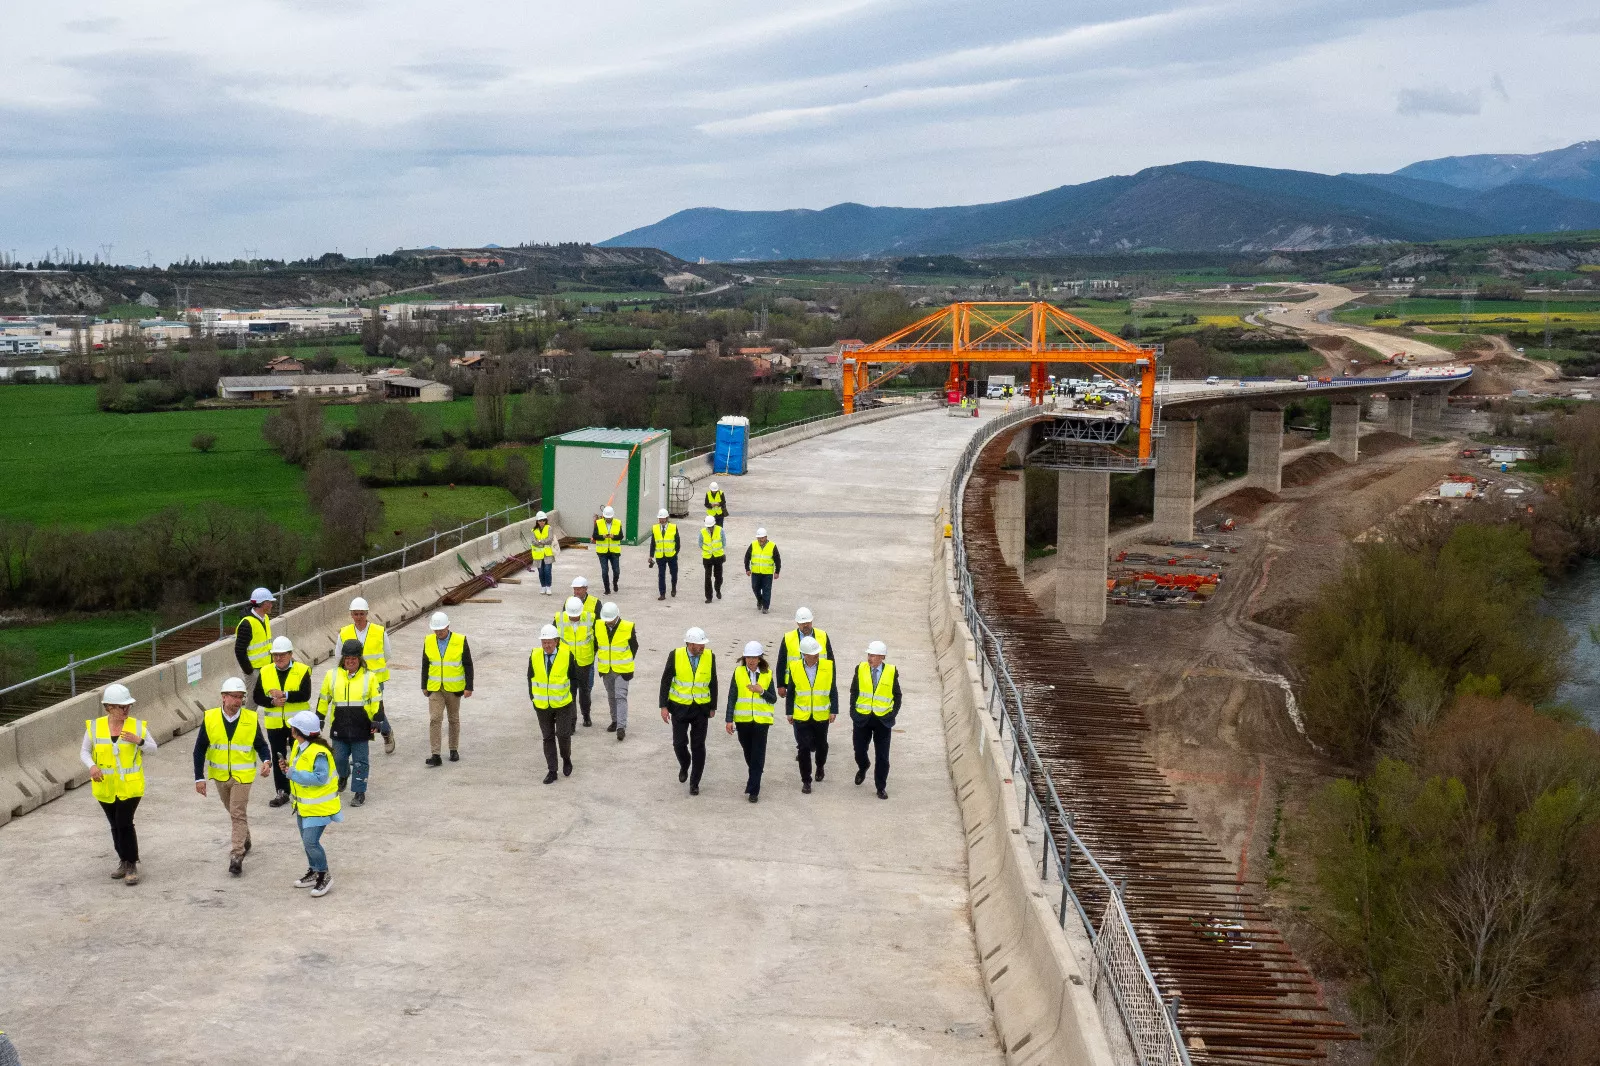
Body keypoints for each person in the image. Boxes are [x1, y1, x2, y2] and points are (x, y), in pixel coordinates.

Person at [193, 676, 272, 876]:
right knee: (233, 811)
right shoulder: (210, 718)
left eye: (240, 697)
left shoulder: (250, 718)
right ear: (223, 697)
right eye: (234, 697)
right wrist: (199, 778)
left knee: (237, 812)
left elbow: (261, 745)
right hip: (220, 776)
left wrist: (266, 761)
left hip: (243, 776)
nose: (238, 701)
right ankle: (245, 837)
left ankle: (237, 854)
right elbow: (199, 749)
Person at [81, 683, 156, 886]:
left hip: (131, 787)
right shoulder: (95, 727)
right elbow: (85, 752)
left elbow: (153, 749)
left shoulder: (137, 726)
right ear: (109, 707)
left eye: (128, 706)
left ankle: (131, 863)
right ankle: (123, 860)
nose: (126, 710)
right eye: (122, 707)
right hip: (105, 786)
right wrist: (92, 766)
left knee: (124, 822)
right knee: (115, 824)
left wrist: (139, 741)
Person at [281, 709, 340, 898]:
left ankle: (324, 874)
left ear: (298, 731)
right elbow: (298, 770)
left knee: (310, 842)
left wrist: (292, 773)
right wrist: (287, 769)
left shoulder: (319, 752)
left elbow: (320, 778)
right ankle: (314, 871)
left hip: (319, 807)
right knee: (307, 842)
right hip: (303, 806)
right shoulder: (299, 746)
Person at [318, 639, 381, 806]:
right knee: (338, 759)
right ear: (343, 659)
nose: (350, 661)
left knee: (360, 762)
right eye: (347, 658)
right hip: (339, 727)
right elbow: (323, 699)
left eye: (354, 658)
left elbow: (377, 701)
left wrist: (377, 720)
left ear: (360, 659)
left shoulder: (370, 677)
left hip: (361, 728)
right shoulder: (331, 675)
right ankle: (344, 775)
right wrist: (320, 718)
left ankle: (359, 792)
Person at [659, 627, 717, 795]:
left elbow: (713, 681)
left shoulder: (710, 656)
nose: (703, 647)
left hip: (701, 708)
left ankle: (694, 782)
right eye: (700, 644)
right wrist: (663, 706)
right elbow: (665, 681)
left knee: (698, 746)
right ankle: (685, 763)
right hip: (679, 707)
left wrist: (713, 706)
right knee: (679, 743)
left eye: (704, 644)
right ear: (690, 644)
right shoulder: (675, 655)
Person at [255, 636, 311, 809]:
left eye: (282, 655)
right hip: (275, 725)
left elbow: (305, 694)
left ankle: (300, 788)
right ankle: (282, 791)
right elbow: (257, 697)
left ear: (290, 654)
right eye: (275, 655)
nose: (278, 658)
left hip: (297, 724)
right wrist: (271, 702)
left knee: (299, 756)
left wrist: (284, 695)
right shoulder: (265, 671)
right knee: (279, 756)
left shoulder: (302, 670)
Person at [339, 597, 395, 755]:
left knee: (375, 709)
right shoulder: (345, 632)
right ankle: (368, 740)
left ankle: (385, 733)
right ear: (351, 614)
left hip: (375, 679)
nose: (359, 617)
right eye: (356, 614)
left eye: (361, 614)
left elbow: (387, 654)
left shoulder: (378, 631)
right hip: (354, 679)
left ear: (367, 613)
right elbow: (339, 656)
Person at [725, 641, 777, 802]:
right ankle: (756, 772)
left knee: (758, 754)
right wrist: (729, 720)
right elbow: (732, 696)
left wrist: (761, 691)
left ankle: (754, 790)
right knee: (748, 752)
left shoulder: (767, 674)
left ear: (760, 658)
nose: (751, 661)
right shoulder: (738, 672)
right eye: (748, 657)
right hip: (743, 720)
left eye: (754, 658)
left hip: (762, 721)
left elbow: (773, 698)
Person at [784, 636, 838, 794]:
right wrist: (789, 712)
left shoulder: (828, 666)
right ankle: (806, 781)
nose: (816, 656)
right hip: (802, 715)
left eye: (817, 654)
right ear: (804, 654)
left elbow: (832, 689)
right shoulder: (795, 667)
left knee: (822, 745)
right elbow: (791, 691)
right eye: (813, 654)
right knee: (803, 748)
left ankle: (820, 766)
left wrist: (833, 710)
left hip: (821, 715)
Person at [850, 641, 903, 800]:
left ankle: (881, 787)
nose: (870, 658)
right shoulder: (860, 669)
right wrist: (853, 712)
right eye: (869, 655)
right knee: (859, 750)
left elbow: (897, 696)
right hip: (862, 718)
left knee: (882, 756)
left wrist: (892, 714)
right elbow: (854, 691)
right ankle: (863, 766)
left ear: (882, 657)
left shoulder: (891, 672)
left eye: (873, 655)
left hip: (882, 721)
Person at [421, 611, 473, 767]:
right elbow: (425, 664)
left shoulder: (460, 640)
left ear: (448, 626)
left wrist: (469, 686)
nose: (438, 633)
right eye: (436, 630)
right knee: (435, 719)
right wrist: (424, 685)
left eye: (441, 630)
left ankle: (453, 749)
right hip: (435, 687)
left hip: (453, 688)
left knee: (453, 719)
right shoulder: (429, 640)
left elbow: (468, 664)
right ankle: (435, 754)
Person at [528, 624, 576, 784]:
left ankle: (566, 758)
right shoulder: (534, 655)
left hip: (563, 704)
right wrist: (533, 698)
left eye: (549, 642)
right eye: (544, 642)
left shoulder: (567, 655)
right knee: (547, 737)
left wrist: (571, 698)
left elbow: (574, 678)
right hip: (542, 706)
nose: (546, 645)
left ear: (556, 641)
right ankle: (552, 770)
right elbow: (530, 677)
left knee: (563, 735)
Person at [595, 601, 637, 740]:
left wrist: (625, 660)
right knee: (611, 696)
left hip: (622, 670)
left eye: (610, 620)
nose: (608, 622)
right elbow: (597, 644)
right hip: (606, 669)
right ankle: (614, 720)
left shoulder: (627, 626)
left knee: (620, 697)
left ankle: (621, 727)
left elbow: (634, 646)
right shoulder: (599, 625)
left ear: (617, 616)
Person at [555, 595, 598, 727]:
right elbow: (553, 638)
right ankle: (572, 722)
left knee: (584, 691)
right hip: (567, 662)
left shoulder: (590, 619)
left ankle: (586, 715)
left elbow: (598, 638)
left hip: (584, 662)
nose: (573, 618)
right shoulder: (559, 619)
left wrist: (592, 652)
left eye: (576, 615)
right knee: (570, 692)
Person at [776, 606, 833, 699]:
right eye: (802, 623)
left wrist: (832, 682)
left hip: (819, 680)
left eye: (808, 622)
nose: (805, 625)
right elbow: (781, 662)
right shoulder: (788, 638)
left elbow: (831, 661)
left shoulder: (822, 636)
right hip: (794, 682)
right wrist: (780, 685)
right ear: (797, 623)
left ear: (812, 621)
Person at [233, 587, 275, 679]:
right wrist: (249, 671)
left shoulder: (266, 618)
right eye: (270, 602)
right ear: (263, 604)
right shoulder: (246, 624)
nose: (271, 605)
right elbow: (239, 650)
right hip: (254, 671)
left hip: (267, 667)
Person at [743, 527, 781, 614]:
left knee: (766, 590)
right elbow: (747, 557)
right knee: (755, 588)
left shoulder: (772, 546)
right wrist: (747, 569)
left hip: (767, 573)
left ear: (766, 537)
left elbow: (777, 560)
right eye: (759, 538)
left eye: (762, 538)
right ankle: (760, 600)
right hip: (755, 572)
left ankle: (765, 607)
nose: (760, 540)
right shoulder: (753, 545)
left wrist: (777, 571)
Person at [647, 508, 679, 601]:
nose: (661, 520)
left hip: (671, 555)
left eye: (663, 518)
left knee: (673, 573)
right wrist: (651, 555)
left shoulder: (673, 527)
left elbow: (677, 542)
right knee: (661, 575)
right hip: (660, 556)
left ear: (667, 518)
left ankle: (673, 587)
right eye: (660, 518)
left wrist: (675, 553)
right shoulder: (655, 528)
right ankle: (662, 593)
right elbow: (653, 543)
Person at [593, 504, 623, 594]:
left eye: (610, 518)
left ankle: (615, 582)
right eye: (607, 518)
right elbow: (594, 536)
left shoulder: (618, 523)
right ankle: (607, 589)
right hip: (602, 552)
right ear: (604, 516)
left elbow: (621, 536)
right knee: (605, 571)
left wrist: (614, 537)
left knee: (616, 571)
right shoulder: (599, 523)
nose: (608, 519)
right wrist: (603, 536)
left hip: (614, 552)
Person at [530, 510, 557, 596]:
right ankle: (543, 586)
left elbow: (550, 539)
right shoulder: (533, 530)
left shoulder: (549, 528)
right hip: (538, 555)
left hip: (547, 554)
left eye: (544, 520)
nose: (542, 522)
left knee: (547, 571)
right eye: (540, 520)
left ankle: (548, 587)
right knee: (541, 572)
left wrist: (539, 541)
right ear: (537, 521)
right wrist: (542, 542)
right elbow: (533, 542)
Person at [700, 515, 725, 603]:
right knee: (707, 577)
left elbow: (724, 542)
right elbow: (700, 543)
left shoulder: (720, 530)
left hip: (718, 557)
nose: (710, 528)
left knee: (718, 577)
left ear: (714, 524)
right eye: (708, 527)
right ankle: (709, 597)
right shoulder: (702, 532)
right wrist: (707, 551)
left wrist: (718, 551)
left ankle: (717, 589)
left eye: (711, 527)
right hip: (707, 558)